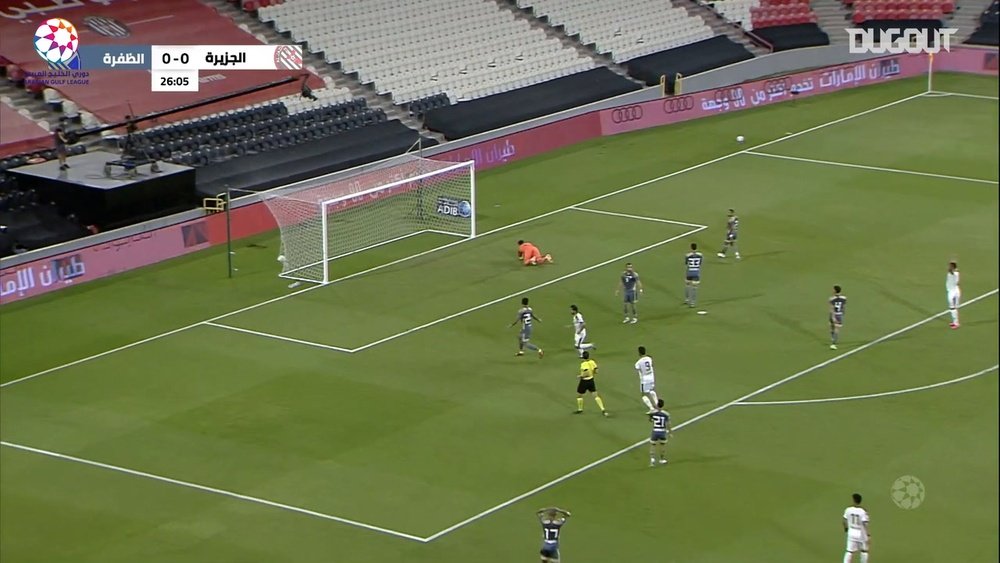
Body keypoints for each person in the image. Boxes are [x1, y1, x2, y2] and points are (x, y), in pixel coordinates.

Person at [575, 351, 607, 416]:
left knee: (579, 395)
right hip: (591, 381)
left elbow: (586, 372)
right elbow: (596, 370)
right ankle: (602, 409)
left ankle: (580, 409)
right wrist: (593, 373)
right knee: (595, 395)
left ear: (583, 357)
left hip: (584, 382)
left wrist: (581, 376)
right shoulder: (592, 362)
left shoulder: (583, 364)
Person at [843, 493, 870, 563]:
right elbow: (865, 524)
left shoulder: (848, 509)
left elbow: (844, 520)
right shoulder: (863, 511)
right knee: (864, 551)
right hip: (861, 533)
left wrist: (846, 529)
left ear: (853, 500)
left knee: (849, 551)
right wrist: (868, 534)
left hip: (851, 531)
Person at [635, 346, 659, 412]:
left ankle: (652, 408)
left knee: (643, 394)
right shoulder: (649, 359)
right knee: (651, 390)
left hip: (644, 380)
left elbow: (638, 369)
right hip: (651, 377)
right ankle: (657, 405)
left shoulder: (638, 363)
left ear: (639, 353)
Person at [648, 399, 671, 467]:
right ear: (663, 405)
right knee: (662, 445)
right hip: (662, 431)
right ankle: (662, 459)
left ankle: (652, 460)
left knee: (653, 445)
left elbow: (650, 420)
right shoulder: (666, 414)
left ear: (657, 404)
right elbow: (668, 424)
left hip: (655, 431)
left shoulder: (653, 413)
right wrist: (670, 432)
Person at [684, 242, 703, 307]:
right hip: (696, 272)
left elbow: (686, 263)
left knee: (687, 285)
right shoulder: (700, 255)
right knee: (694, 288)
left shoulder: (687, 255)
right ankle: (693, 303)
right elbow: (700, 263)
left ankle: (687, 299)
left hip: (689, 272)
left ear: (691, 248)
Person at [829, 285, 847, 350]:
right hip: (839, 315)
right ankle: (834, 343)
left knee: (832, 327)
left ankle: (833, 339)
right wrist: (843, 313)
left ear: (835, 290)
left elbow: (831, 309)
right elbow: (844, 306)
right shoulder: (844, 298)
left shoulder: (831, 299)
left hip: (834, 314)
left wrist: (833, 317)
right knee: (837, 328)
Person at [947, 261, 961, 329]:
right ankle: (954, 322)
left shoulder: (954, 273)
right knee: (953, 307)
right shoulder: (955, 272)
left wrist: (951, 268)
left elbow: (952, 272)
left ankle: (956, 323)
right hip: (952, 291)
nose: (949, 267)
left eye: (950, 266)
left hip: (953, 292)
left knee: (953, 308)